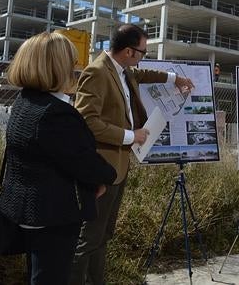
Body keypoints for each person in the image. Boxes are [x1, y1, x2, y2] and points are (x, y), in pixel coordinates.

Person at [70, 24, 194, 285]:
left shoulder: (124, 71)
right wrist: (131, 136)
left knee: (104, 235)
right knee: (89, 238)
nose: (143, 58)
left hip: (118, 167)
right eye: (142, 52)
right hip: (101, 169)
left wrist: (176, 79)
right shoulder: (97, 73)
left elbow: (146, 74)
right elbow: (85, 121)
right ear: (128, 51)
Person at [0, 32, 116, 284]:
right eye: (72, 63)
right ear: (58, 68)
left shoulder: (25, 101)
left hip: (24, 210)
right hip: (53, 215)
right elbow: (84, 163)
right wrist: (107, 176)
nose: (76, 69)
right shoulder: (56, 114)